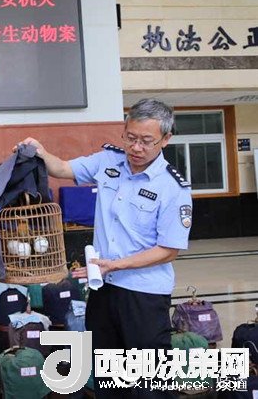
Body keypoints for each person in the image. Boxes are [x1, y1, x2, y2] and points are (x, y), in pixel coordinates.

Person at [18, 98, 192, 398]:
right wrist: (40, 151)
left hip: (144, 296)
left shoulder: (173, 188)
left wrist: (116, 265)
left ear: (165, 139)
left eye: (146, 141)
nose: (136, 147)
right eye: (130, 137)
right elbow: (62, 168)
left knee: (149, 384)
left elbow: (169, 250)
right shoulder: (108, 161)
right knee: (109, 378)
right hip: (104, 289)